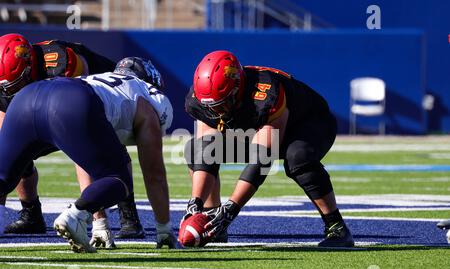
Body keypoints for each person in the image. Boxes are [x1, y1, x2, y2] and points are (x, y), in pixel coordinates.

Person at [0, 56, 175, 252]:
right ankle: (73, 216)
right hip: (70, 103)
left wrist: (100, 225)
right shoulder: (146, 99)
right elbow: (154, 175)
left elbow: (85, 162)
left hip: (26, 97)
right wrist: (164, 229)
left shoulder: (103, 82)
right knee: (121, 181)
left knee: (3, 178)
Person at [182, 50, 354, 247]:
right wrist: (195, 203)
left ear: (237, 88)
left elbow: (262, 161)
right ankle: (212, 218)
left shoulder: (265, 94)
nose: (216, 112)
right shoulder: (205, 99)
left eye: (221, 105)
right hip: (253, 129)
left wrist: (231, 210)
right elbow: (206, 153)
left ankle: (337, 227)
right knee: (196, 148)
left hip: (308, 124)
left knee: (298, 158)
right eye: (212, 107)